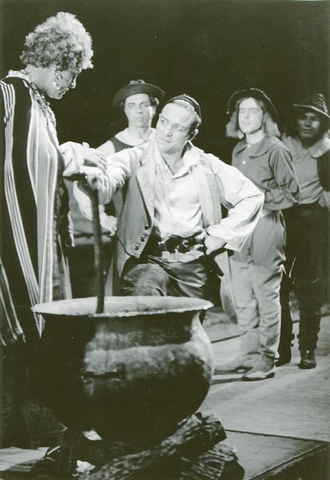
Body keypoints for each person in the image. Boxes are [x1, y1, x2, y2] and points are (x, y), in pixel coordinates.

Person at [0, 12, 105, 447]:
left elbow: (38, 166)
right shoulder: (8, 95)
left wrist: (74, 157)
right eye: (72, 73)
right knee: (18, 327)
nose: (73, 84)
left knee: (37, 331)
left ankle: (24, 425)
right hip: (10, 244)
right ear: (56, 60)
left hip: (40, 246)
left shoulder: (39, 107)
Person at [76, 94, 264, 304]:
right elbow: (106, 183)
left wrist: (220, 235)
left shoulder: (206, 164)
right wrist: (91, 177)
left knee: (187, 328)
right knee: (146, 312)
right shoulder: (133, 157)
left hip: (191, 263)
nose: (166, 132)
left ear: (191, 134)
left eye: (178, 128)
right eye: (164, 121)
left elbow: (252, 196)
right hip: (146, 261)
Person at [217, 88, 299, 381]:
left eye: (253, 111)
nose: (246, 116)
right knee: (244, 300)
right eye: (242, 111)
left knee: (267, 299)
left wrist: (257, 198)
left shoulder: (276, 149)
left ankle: (268, 359)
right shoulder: (237, 150)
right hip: (240, 232)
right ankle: (248, 355)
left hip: (265, 229)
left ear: (265, 116)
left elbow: (291, 193)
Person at [281, 93, 330, 369]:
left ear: (322, 124)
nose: (308, 123)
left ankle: (307, 348)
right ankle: (281, 348)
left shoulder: (327, 149)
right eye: (304, 116)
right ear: (296, 119)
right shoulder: (283, 143)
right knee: (278, 285)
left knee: (309, 287)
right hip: (283, 218)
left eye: (315, 118)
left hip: (312, 220)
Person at [97, 79, 164, 230]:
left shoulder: (165, 140)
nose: (138, 111)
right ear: (125, 110)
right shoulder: (110, 148)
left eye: (144, 105)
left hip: (168, 229)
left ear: (154, 108)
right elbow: (88, 184)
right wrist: (103, 218)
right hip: (131, 233)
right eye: (131, 106)